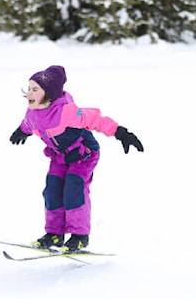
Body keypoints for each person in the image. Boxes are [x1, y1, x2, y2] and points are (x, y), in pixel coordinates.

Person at [9, 65, 143, 252]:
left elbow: (96, 120)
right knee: (52, 190)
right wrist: (21, 132)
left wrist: (121, 133)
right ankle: (54, 233)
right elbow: (27, 124)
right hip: (59, 157)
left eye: (35, 89)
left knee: (74, 188)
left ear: (49, 94)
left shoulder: (67, 112)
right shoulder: (32, 112)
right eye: (29, 88)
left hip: (83, 155)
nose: (29, 93)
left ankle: (80, 236)